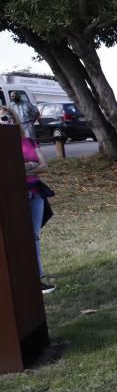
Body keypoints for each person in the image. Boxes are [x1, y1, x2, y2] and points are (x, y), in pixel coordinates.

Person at [1, 106, 55, 293]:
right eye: (2, 119)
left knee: (34, 236)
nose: (6, 121)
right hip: (14, 196)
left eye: (9, 118)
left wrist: (24, 169)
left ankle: (38, 277)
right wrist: (29, 165)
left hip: (36, 194)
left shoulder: (29, 141)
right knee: (18, 238)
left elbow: (44, 166)